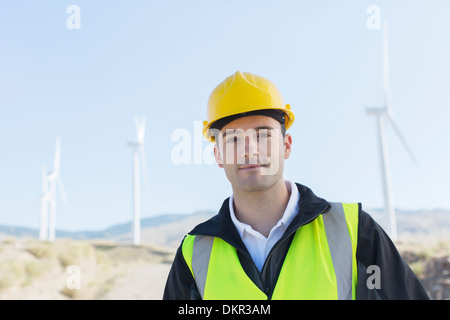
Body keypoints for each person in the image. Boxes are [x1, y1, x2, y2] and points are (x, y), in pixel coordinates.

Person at [163, 71, 429, 300]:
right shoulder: (193, 253)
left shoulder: (354, 230)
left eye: (263, 134)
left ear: (286, 145)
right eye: (233, 139)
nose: (249, 150)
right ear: (218, 156)